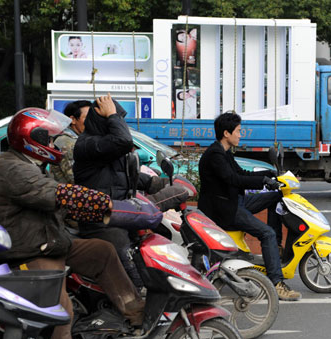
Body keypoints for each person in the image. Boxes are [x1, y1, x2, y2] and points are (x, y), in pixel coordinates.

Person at [0, 108, 145, 339]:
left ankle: (135, 316)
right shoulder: (13, 168)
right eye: (48, 139)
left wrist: (111, 211)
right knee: (61, 313)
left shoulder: (33, 163)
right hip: (30, 250)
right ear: (32, 139)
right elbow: (56, 194)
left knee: (102, 251)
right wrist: (104, 203)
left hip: (50, 240)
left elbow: (62, 205)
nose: (53, 143)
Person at [73, 94, 183, 288]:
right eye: (115, 118)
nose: (119, 122)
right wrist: (112, 115)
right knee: (130, 268)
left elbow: (123, 175)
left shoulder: (105, 145)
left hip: (122, 214)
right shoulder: (88, 143)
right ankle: (134, 308)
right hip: (102, 221)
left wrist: (158, 183)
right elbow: (124, 141)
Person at [198, 111, 301, 301]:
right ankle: (276, 284)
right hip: (224, 210)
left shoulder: (224, 152)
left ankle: (275, 247)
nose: (240, 134)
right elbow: (234, 179)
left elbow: (241, 172)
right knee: (266, 233)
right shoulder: (215, 155)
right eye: (238, 131)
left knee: (276, 196)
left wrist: (268, 175)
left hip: (235, 201)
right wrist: (262, 181)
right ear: (226, 133)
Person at [50, 100, 92, 184]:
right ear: (72, 119)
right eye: (88, 118)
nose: (92, 122)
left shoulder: (76, 140)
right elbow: (76, 178)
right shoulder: (67, 142)